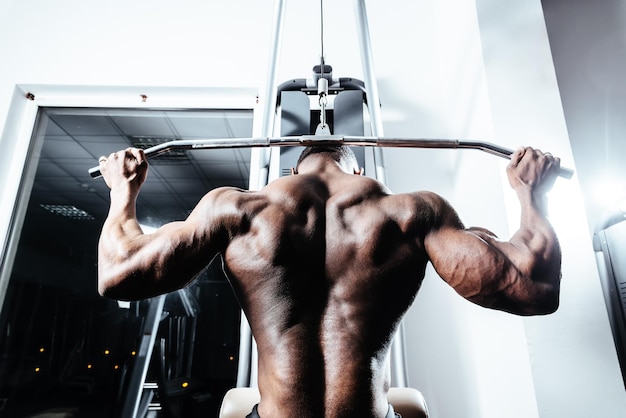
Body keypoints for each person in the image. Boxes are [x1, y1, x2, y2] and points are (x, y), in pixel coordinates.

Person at [97, 144, 562, 418]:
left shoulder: (234, 210)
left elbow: (117, 274)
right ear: (356, 168)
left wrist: (123, 191)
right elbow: (533, 287)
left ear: (291, 172)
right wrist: (529, 192)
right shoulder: (413, 213)